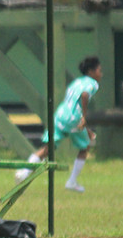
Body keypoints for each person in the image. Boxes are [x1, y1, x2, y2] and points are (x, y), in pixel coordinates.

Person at [16, 55, 102, 192]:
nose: (100, 74)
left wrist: (87, 130)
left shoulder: (76, 82)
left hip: (60, 114)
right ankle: (72, 182)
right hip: (73, 117)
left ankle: (24, 172)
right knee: (84, 148)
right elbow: (85, 95)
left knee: (48, 148)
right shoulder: (92, 83)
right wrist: (84, 117)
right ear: (91, 72)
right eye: (99, 70)